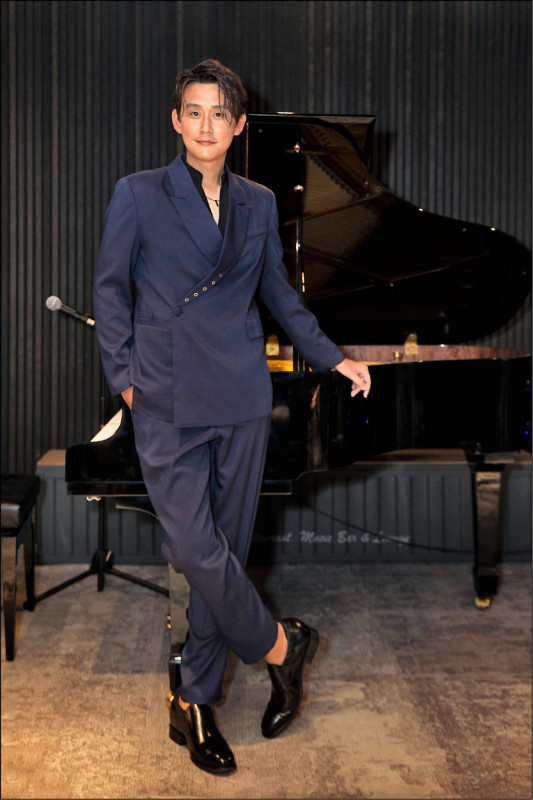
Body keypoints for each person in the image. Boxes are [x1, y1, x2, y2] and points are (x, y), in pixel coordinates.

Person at [93, 58, 371, 776]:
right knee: (196, 550)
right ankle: (281, 646)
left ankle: (192, 701)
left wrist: (332, 356)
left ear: (239, 124)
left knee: (226, 554)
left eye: (220, 113)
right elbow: (110, 293)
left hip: (242, 397)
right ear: (176, 120)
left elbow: (279, 295)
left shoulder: (256, 201)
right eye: (194, 111)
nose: (206, 125)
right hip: (166, 397)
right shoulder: (138, 193)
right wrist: (126, 381)